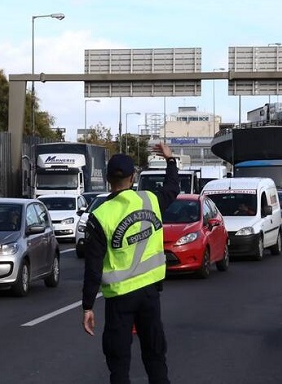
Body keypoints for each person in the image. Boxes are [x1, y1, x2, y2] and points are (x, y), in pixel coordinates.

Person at [82, 142, 179, 384]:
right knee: (155, 356)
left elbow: (93, 267)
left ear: (107, 180)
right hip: (149, 294)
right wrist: (170, 160)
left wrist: (87, 306)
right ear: (133, 177)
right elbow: (172, 188)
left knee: (119, 363)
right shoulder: (150, 200)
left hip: (119, 299)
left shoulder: (100, 216)